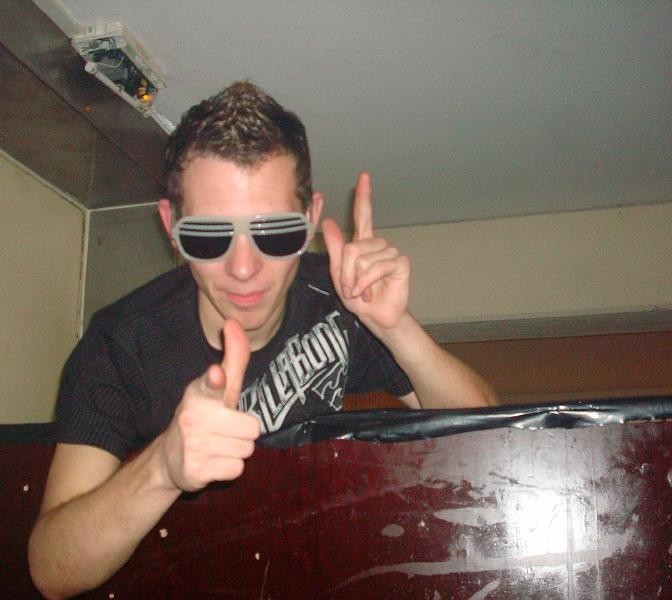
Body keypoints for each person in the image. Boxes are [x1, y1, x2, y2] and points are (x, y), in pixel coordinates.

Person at [28, 81, 497, 599]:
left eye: (275, 232)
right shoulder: (119, 344)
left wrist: (394, 326)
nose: (244, 268)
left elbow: (490, 438)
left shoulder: (340, 300)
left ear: (312, 218)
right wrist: (162, 467)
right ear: (170, 226)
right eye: (209, 236)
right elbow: (52, 571)